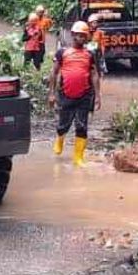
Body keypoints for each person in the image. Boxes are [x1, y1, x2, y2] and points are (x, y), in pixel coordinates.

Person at [48, 21, 100, 166]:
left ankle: (78, 158)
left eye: (84, 36)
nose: (82, 38)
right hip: (65, 93)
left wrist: (98, 96)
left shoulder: (89, 54)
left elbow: (94, 74)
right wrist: (51, 93)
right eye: (79, 35)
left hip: (85, 95)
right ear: (72, 35)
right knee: (64, 124)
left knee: (82, 126)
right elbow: (53, 73)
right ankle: (60, 138)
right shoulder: (62, 52)